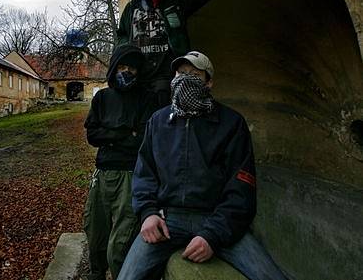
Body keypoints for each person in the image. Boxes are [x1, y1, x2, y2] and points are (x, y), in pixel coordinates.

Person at [117, 51, 288, 280]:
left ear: (209, 82)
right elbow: (144, 173)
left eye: (194, 75)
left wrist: (212, 236)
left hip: (216, 219)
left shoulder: (231, 123)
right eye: (180, 73)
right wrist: (148, 213)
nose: (185, 79)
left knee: (270, 276)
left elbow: (241, 190)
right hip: (167, 220)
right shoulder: (158, 121)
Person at [83, 44, 156, 280]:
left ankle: (122, 275)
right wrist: (125, 133)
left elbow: (143, 140)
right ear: (114, 68)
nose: (127, 72)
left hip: (130, 175)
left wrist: (111, 135)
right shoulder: (103, 98)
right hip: (102, 174)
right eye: (122, 66)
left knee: (120, 245)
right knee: (95, 235)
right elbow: (92, 135)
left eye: (132, 68)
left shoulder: (147, 99)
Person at [117, 0, 216, 107]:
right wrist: (125, 60)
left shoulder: (174, 1)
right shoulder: (132, 7)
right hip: (139, 75)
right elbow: (122, 34)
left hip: (166, 75)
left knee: (165, 117)